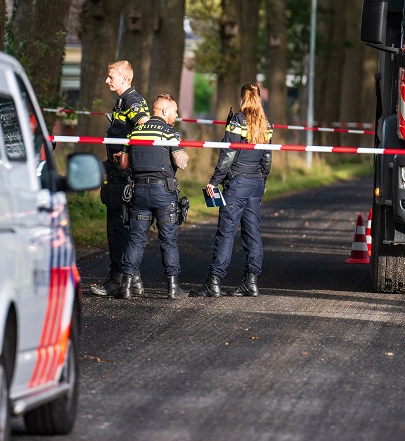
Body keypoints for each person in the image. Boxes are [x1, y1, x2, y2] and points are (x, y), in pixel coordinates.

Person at [191, 83, 272, 298]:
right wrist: (261, 180)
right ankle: (251, 282)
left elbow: (227, 155)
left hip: (237, 183)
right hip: (255, 184)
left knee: (226, 233)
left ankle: (214, 282)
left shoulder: (237, 121)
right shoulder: (266, 124)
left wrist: (214, 180)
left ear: (243, 99)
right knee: (253, 233)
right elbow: (267, 159)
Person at [116, 94, 189, 300]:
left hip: (138, 192)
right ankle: (173, 288)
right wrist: (183, 153)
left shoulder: (135, 131)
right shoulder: (169, 132)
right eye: (174, 111)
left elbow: (123, 164)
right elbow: (181, 162)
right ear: (164, 111)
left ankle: (126, 287)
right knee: (168, 240)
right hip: (163, 194)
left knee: (136, 240)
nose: (176, 115)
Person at [87, 60, 150, 297]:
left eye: (110, 76)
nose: (107, 80)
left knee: (118, 229)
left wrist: (127, 156)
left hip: (124, 176)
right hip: (116, 174)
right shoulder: (123, 101)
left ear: (124, 78)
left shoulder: (132, 101)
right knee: (121, 228)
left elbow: (144, 130)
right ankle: (133, 279)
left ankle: (117, 279)